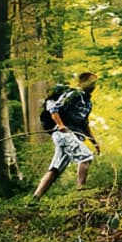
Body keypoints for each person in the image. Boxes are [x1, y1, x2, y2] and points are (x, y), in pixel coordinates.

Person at [31, 72, 101, 201]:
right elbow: (54, 108)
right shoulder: (73, 94)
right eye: (90, 82)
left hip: (76, 135)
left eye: (94, 83)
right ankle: (81, 192)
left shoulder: (88, 103)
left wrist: (94, 142)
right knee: (86, 157)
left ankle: (34, 199)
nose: (93, 85)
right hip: (64, 133)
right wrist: (61, 125)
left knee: (55, 169)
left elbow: (84, 124)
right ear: (81, 83)